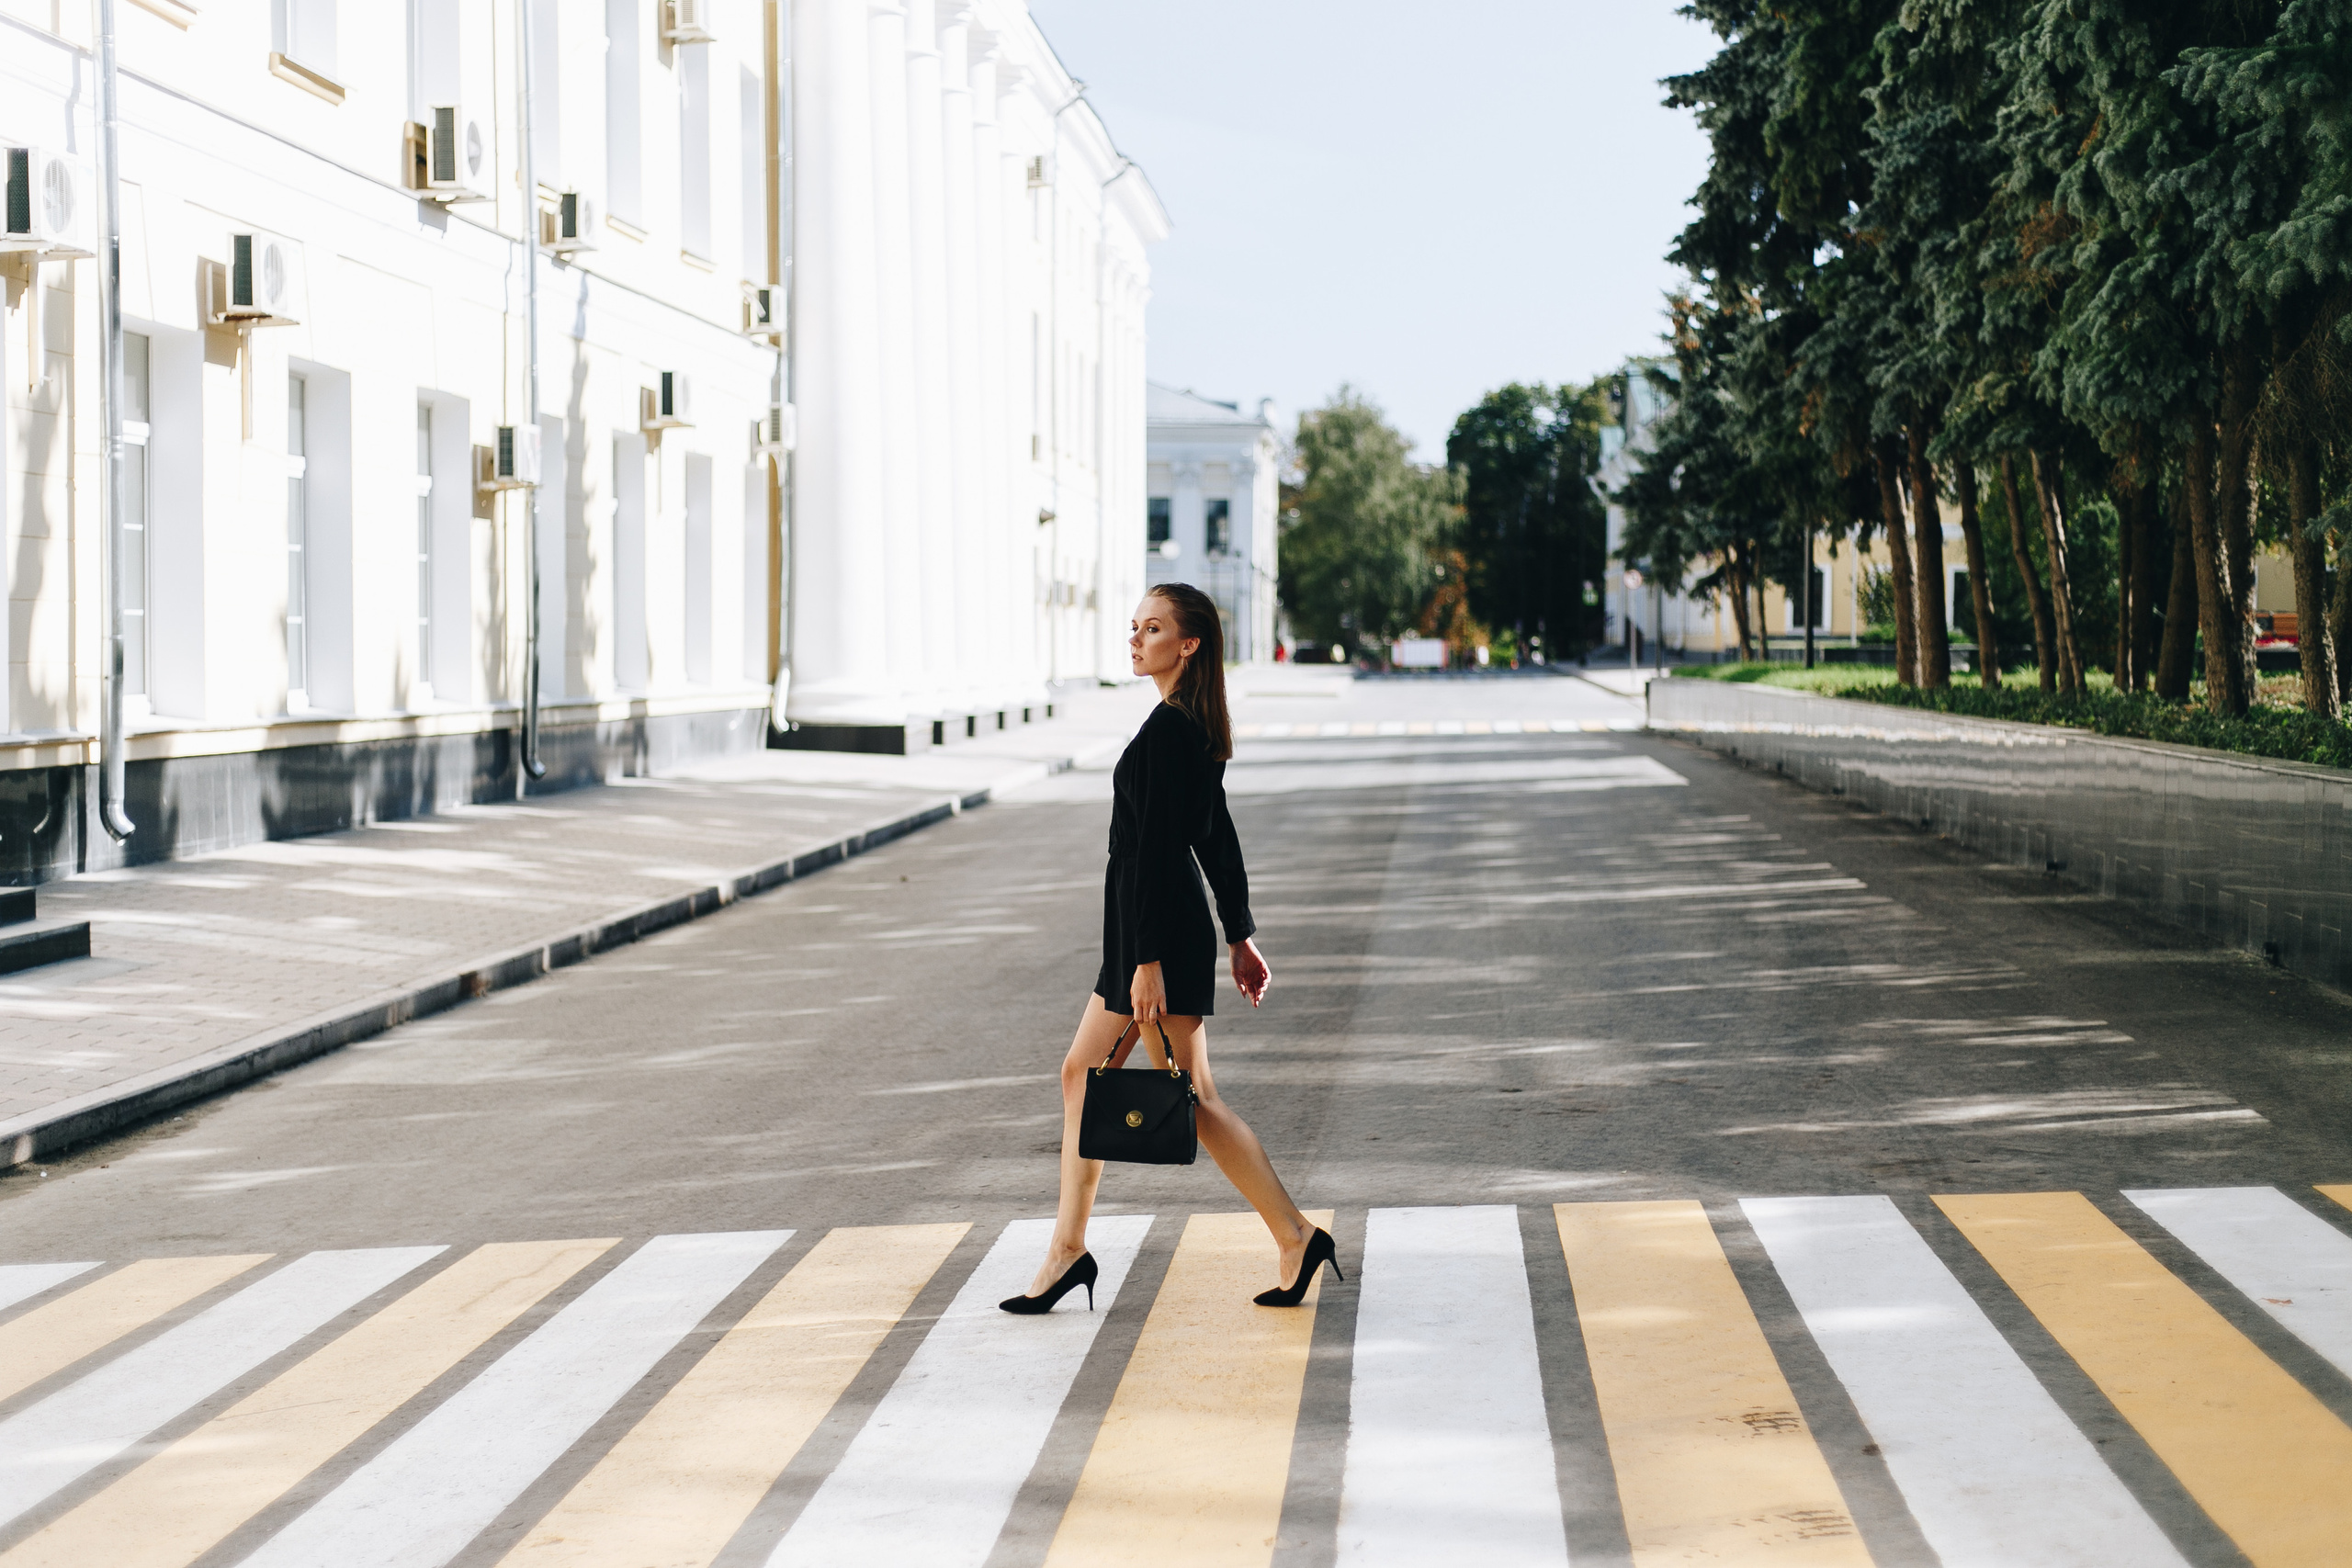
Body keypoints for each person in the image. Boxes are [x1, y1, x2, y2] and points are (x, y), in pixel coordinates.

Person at [1001, 582, 1339, 1314]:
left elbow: (1160, 849)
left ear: (1187, 644)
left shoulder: (1168, 732)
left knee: (1197, 1097)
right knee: (1082, 1075)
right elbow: (1215, 837)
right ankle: (1069, 1249)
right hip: (1145, 931)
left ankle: (1293, 1234)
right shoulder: (1189, 725)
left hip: (1152, 937)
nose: (1136, 639)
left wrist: (1149, 961)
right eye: (1134, 627)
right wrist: (1240, 934)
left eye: (1152, 629)